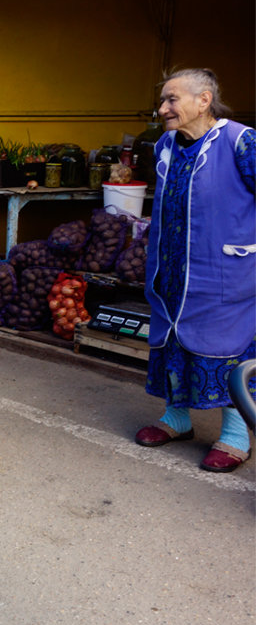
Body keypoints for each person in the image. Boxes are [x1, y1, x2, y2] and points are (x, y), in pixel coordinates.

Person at [134, 69, 255, 473]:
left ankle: (236, 435)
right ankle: (177, 418)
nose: (163, 108)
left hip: (226, 272)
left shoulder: (241, 141)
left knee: (228, 348)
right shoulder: (165, 145)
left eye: (172, 99)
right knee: (172, 340)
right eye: (163, 100)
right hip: (172, 269)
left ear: (204, 100)